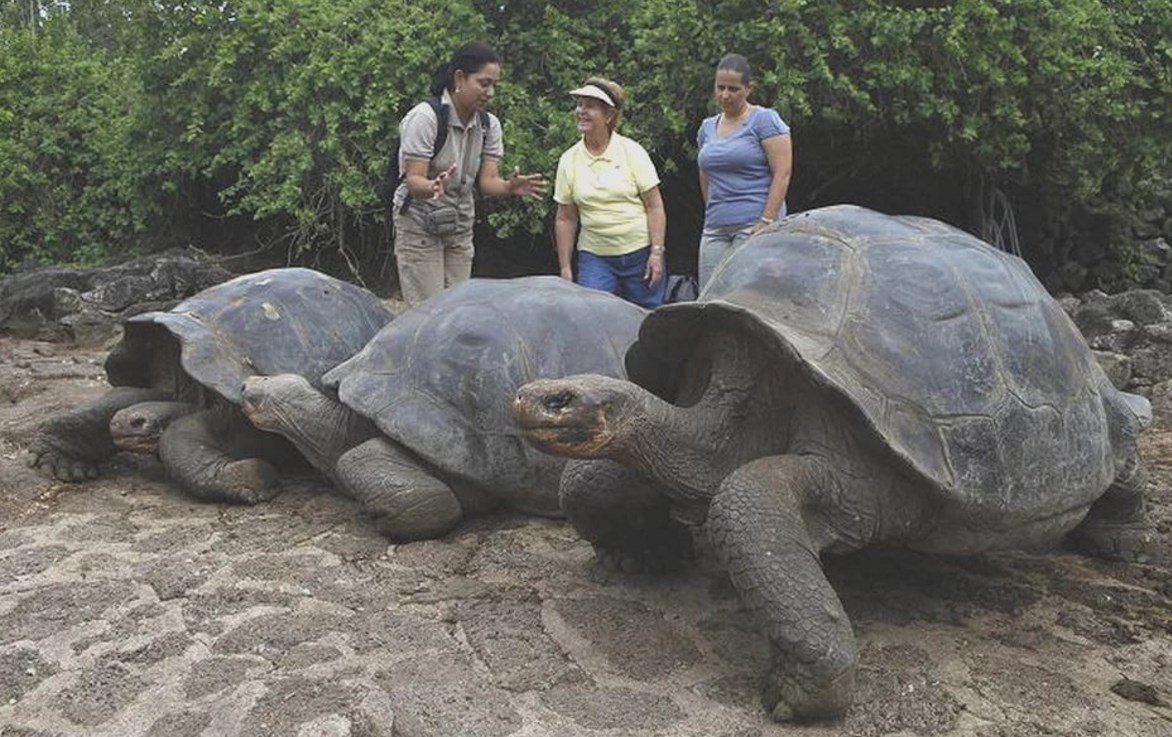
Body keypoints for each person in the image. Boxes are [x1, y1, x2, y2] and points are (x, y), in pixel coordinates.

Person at [392, 41, 546, 307]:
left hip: (460, 225)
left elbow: (487, 182)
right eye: (484, 83)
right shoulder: (425, 118)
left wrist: (509, 187)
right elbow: (413, 180)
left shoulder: (488, 125)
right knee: (427, 312)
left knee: (459, 310)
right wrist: (432, 186)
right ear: (460, 78)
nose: (490, 92)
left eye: (494, 85)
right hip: (419, 225)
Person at [553, 78, 668, 308]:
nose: (581, 111)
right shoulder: (569, 160)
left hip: (640, 252)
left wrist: (656, 253)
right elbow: (566, 217)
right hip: (595, 255)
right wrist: (565, 268)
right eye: (580, 104)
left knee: (649, 318)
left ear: (608, 116)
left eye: (590, 106)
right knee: (592, 315)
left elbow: (654, 205)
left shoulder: (632, 152)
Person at [696, 54, 792, 288]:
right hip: (716, 226)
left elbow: (783, 173)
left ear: (748, 89)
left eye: (733, 89)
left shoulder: (764, 120)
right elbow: (705, 172)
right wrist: (712, 208)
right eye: (720, 88)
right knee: (710, 295)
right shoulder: (707, 127)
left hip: (754, 222)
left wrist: (767, 221)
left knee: (744, 294)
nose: (725, 95)